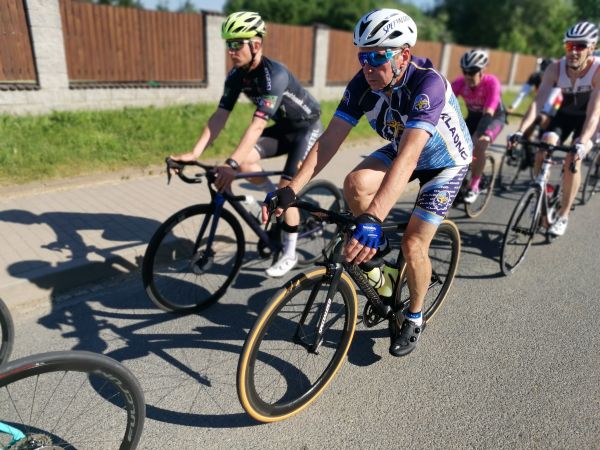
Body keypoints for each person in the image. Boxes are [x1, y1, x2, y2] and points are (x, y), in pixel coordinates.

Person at [263, 9, 472, 357]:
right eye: (363, 57)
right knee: (356, 183)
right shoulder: (362, 84)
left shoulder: (427, 83)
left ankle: (415, 316)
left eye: (378, 56)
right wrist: (292, 188)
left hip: (444, 163)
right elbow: (328, 141)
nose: (368, 67)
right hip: (404, 147)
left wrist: (373, 217)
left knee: (414, 244)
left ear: (403, 54)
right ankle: (381, 260)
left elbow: (408, 158)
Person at [170, 11, 323, 277]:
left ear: (256, 44)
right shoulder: (236, 76)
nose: (231, 50)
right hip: (284, 128)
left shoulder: (273, 75)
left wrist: (230, 163)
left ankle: (290, 252)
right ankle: (268, 199)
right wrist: (194, 152)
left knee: (285, 192)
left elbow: (257, 125)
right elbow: (219, 116)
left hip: (306, 128)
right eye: (228, 44)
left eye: (236, 43)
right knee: (247, 162)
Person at [509, 21, 600, 236]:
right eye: (570, 46)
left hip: (588, 121)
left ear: (592, 47)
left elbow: (594, 113)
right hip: (565, 116)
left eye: (580, 46)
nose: (574, 51)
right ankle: (541, 188)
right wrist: (521, 130)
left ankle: (564, 214)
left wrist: (582, 142)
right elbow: (537, 103)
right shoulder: (555, 68)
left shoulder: (597, 70)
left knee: (572, 160)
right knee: (544, 145)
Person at [451, 49, 506, 203]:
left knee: (479, 145)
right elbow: (442, 102)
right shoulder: (460, 83)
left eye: (473, 71)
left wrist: (477, 136)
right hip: (474, 117)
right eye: (465, 71)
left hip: (493, 117)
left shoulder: (491, 83)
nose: (468, 75)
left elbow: (488, 112)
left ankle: (474, 185)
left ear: (482, 70)